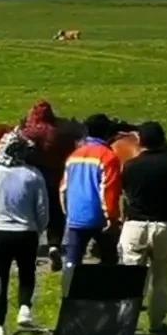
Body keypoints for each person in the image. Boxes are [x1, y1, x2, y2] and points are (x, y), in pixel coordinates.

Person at [117, 121, 167, 334]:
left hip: (134, 226)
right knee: (161, 279)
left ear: (140, 142)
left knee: (130, 279)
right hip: (164, 225)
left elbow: (120, 194)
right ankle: (156, 323)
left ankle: (127, 324)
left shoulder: (130, 165)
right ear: (163, 141)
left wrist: (120, 217)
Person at [0, 131, 51, 335]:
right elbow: (42, 208)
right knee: (27, 272)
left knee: (1, 278)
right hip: (26, 232)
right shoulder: (33, 175)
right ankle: (25, 307)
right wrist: (40, 228)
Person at [59, 114, 124, 294]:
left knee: (72, 259)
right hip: (99, 218)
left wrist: (68, 212)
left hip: (75, 217)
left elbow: (63, 188)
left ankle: (69, 293)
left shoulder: (74, 155)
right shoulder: (108, 156)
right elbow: (109, 190)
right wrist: (112, 218)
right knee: (110, 258)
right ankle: (105, 292)